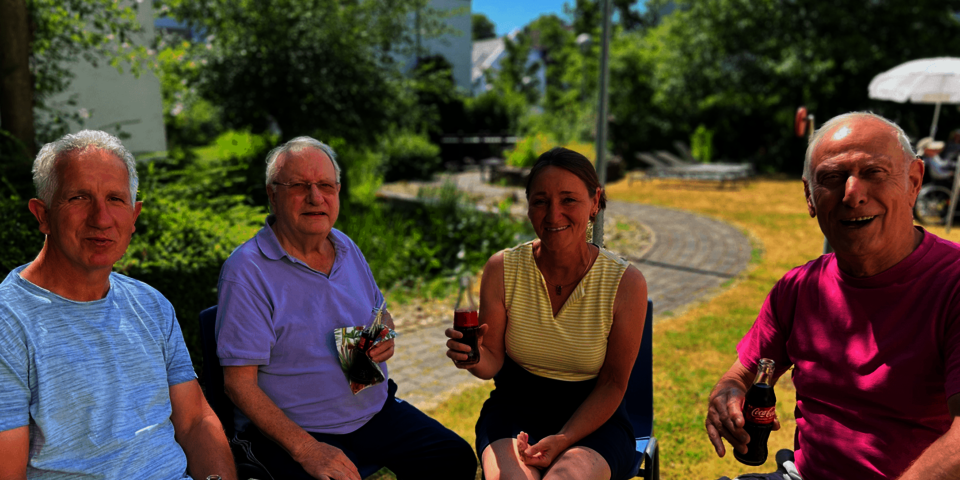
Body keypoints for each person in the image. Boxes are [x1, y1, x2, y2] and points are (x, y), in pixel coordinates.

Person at [705, 112, 960, 480]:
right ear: (810, 197)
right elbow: (742, 373)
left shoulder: (952, 284)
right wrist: (726, 395)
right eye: (832, 178)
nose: (852, 194)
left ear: (914, 182)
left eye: (874, 172)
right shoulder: (799, 288)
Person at [216, 136, 477, 480]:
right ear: (272, 194)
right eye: (299, 186)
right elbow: (238, 385)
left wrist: (385, 332)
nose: (315, 197)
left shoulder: (345, 246)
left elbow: (380, 312)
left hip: (375, 412)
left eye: (325, 185)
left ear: (337, 192)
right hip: (301, 429)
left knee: (454, 458)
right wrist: (307, 449)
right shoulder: (246, 270)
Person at [0, 130, 236, 479]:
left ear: (134, 215)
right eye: (79, 197)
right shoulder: (8, 322)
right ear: (42, 215)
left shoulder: (151, 305)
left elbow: (195, 421)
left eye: (115, 199)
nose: (101, 218)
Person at [445, 147, 649, 480]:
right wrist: (473, 358)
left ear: (595, 201)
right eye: (541, 201)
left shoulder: (626, 283)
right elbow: (491, 361)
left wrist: (564, 439)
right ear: (528, 207)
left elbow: (613, 384)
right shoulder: (502, 269)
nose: (553, 215)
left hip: (595, 422)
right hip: (513, 411)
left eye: (569, 200)